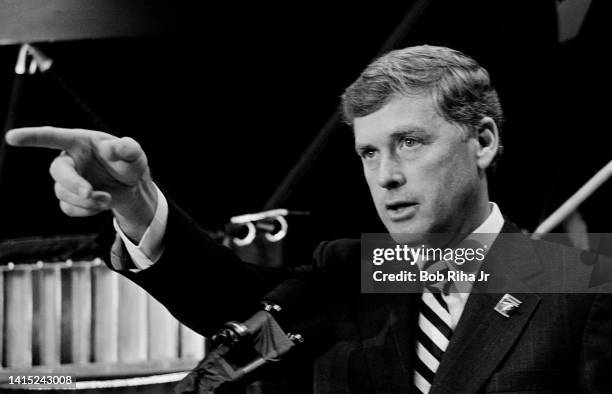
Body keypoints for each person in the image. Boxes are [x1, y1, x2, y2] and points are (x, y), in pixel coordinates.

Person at [6, 45, 612, 393]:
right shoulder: (356, 270)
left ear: (481, 142)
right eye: (369, 152)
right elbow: (232, 309)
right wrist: (137, 203)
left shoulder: (579, 284)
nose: (385, 175)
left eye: (410, 143)